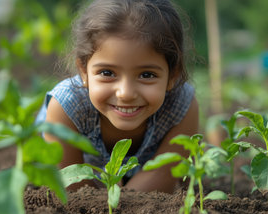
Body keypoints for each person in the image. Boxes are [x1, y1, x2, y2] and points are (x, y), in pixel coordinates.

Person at [36, 0, 199, 193]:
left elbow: (161, 176)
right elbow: (72, 188)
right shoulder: (67, 106)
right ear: (83, 71)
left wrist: (117, 204)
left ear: (173, 76)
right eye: (107, 73)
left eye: (147, 75)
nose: (126, 93)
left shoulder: (181, 104)